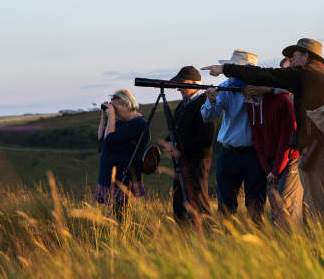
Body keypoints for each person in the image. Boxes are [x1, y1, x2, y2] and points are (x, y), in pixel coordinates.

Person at [203, 39, 324, 227]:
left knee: (314, 206)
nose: (291, 62)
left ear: (306, 56)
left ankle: (321, 247)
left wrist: (226, 69)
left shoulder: (303, 75)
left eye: (294, 58)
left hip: (310, 150)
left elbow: (269, 76)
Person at [201, 50, 267, 222]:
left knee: (256, 206)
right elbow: (208, 116)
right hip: (229, 154)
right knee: (225, 206)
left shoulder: (264, 88)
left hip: (256, 154)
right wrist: (211, 101)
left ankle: (256, 242)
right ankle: (227, 242)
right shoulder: (225, 86)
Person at [161, 66, 216, 225]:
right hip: (181, 162)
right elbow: (176, 128)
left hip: (197, 162)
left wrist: (177, 147)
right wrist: (167, 143)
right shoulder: (185, 103)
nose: (178, 88)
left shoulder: (206, 103)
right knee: (180, 207)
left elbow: (206, 139)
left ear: (194, 83)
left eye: (181, 84)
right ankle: (184, 243)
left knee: (198, 204)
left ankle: (208, 239)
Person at [247, 84, 303, 228]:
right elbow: (257, 139)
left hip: (290, 159)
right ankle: (279, 246)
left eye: (245, 88)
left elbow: (286, 139)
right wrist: (268, 170)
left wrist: (276, 170)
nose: (241, 92)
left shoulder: (283, 102)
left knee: (286, 207)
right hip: (272, 165)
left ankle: (294, 246)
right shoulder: (251, 105)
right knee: (276, 207)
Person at [95, 89, 148, 221]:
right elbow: (101, 138)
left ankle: (124, 237)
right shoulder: (122, 122)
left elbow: (110, 140)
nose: (116, 113)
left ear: (126, 104)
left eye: (116, 109)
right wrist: (105, 117)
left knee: (121, 213)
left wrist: (112, 116)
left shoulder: (138, 123)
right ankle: (121, 235)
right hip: (112, 175)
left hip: (123, 176)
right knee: (118, 212)